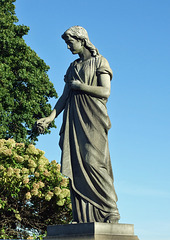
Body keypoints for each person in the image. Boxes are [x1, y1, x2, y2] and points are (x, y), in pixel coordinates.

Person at [36, 26, 120, 223]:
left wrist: (81, 87)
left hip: (94, 119)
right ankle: (83, 218)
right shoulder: (72, 67)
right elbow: (64, 97)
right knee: (77, 166)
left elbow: (105, 91)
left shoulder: (100, 62)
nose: (67, 46)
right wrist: (49, 118)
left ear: (82, 40)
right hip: (74, 120)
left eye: (69, 42)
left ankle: (110, 210)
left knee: (93, 162)